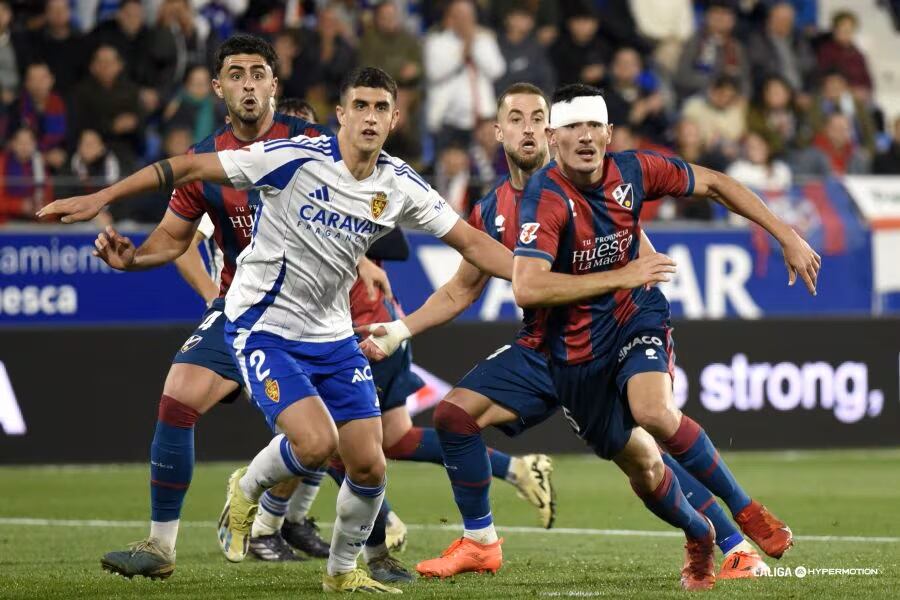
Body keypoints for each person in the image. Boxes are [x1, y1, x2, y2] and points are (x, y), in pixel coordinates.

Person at [40, 65, 515, 594]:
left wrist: (533, 275)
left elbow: (472, 243)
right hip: (263, 324)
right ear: (341, 115)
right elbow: (189, 166)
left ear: (395, 119)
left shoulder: (399, 183)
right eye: (360, 106)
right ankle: (243, 491)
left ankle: (342, 573)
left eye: (381, 108)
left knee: (370, 465)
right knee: (314, 443)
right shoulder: (293, 158)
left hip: (332, 334)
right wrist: (102, 197)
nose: (370, 117)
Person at [363, 82, 772, 582]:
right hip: (543, 348)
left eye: (538, 117)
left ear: (552, 130)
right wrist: (398, 331)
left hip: (609, 340)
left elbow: (639, 262)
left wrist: (634, 323)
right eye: (516, 119)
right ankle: (480, 541)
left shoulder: (590, 184)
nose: (528, 128)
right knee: (455, 415)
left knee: (647, 451)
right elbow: (459, 291)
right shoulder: (492, 210)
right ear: (498, 132)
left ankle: (734, 545)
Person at [38, 34, 331, 581]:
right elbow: (173, 239)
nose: (248, 84)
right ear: (218, 87)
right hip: (242, 309)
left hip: (312, 315)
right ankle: (160, 545)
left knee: (334, 447)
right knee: (177, 397)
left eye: (258, 73)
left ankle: (307, 520)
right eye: (236, 74)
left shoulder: (313, 143)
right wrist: (133, 259)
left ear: (275, 83)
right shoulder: (203, 159)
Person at [509, 84, 819, 590]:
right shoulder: (545, 198)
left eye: (594, 126)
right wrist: (622, 273)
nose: (585, 137)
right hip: (574, 352)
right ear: (552, 137)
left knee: (654, 411)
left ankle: (746, 510)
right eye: (573, 127)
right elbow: (527, 287)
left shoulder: (633, 171)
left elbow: (715, 183)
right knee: (644, 468)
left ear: (609, 133)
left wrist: (785, 233)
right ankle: (700, 535)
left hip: (634, 316)